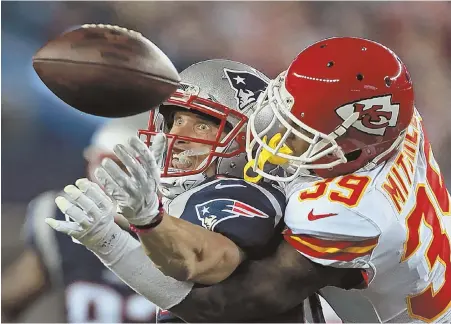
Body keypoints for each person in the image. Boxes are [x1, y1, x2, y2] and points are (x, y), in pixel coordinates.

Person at [47, 60, 314, 323]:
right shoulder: (189, 197)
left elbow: (205, 259)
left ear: (251, 138)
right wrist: (110, 238)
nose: (177, 135)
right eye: (176, 119)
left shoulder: (246, 193)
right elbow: (179, 293)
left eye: (202, 125)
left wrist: (150, 221)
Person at [2, 113, 158, 323]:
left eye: (138, 171)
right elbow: (8, 301)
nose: (124, 182)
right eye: (113, 167)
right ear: (90, 163)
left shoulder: (195, 226)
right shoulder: (65, 219)